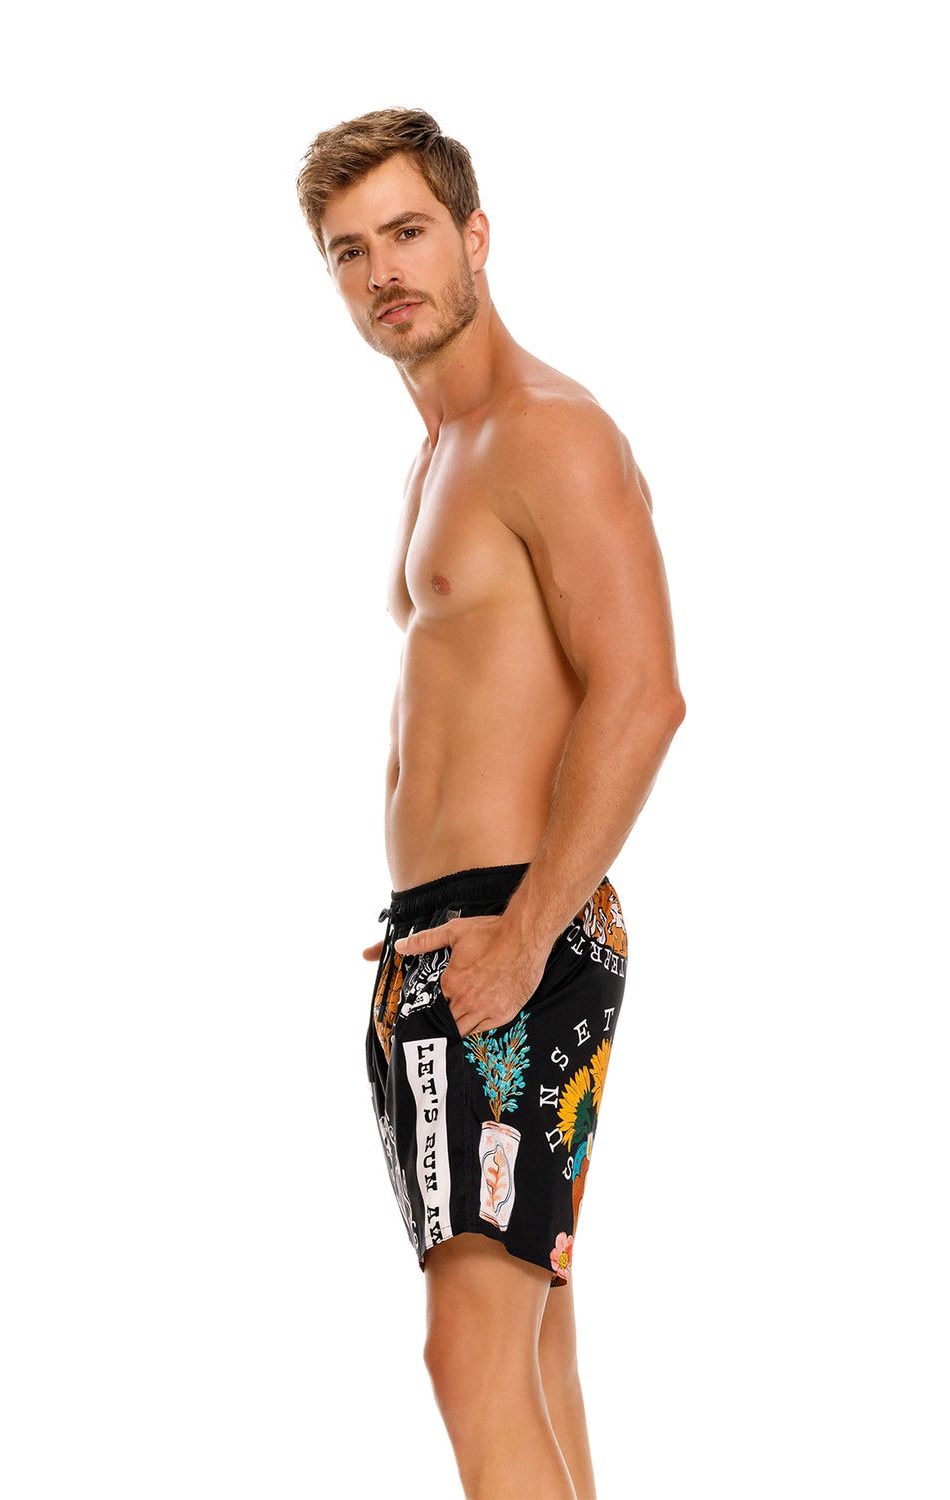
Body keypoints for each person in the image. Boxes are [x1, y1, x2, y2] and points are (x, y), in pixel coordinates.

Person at [296, 108, 686, 1500]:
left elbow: (643, 694)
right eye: (349, 251)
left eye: (406, 232)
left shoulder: (549, 434)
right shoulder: (438, 455)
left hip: (518, 935)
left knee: (467, 1354)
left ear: (473, 236)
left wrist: (524, 933)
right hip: (449, 934)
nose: (382, 272)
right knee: (529, 1341)